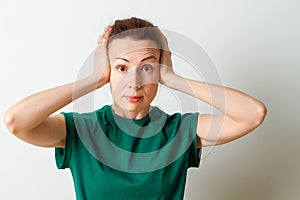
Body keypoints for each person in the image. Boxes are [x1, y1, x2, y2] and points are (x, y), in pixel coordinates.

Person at [3, 17, 267, 200]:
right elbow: (16, 121)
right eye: (122, 67)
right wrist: (92, 79)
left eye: (147, 67)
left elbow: (253, 114)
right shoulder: (82, 129)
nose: (135, 82)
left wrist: (174, 78)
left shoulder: (178, 131)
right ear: (108, 71)